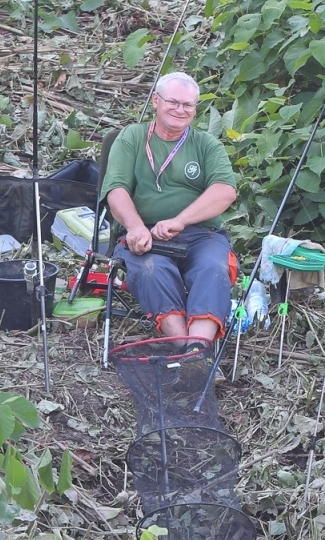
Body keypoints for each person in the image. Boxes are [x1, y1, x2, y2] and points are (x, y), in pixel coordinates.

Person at [100, 72, 239, 342]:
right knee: (152, 270)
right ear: (156, 101)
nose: (180, 109)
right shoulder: (133, 137)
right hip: (147, 235)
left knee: (213, 269)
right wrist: (135, 227)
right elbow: (115, 189)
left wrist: (181, 220)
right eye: (173, 102)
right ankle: (183, 346)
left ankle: (197, 351)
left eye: (188, 105)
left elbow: (225, 191)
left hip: (201, 235)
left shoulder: (206, 144)